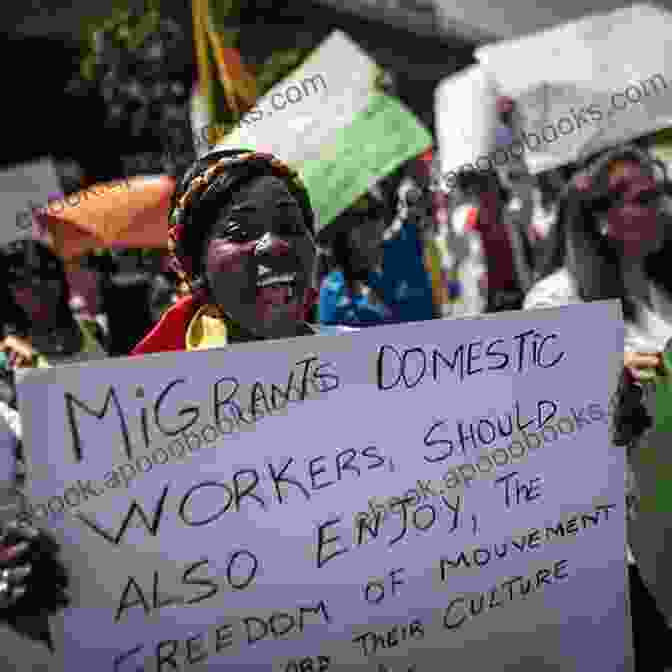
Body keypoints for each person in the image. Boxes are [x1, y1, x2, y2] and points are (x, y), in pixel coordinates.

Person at [523, 143, 672, 671]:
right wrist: (619, 379)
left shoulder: (659, 287)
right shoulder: (557, 301)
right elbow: (546, 425)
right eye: (646, 197)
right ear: (603, 219)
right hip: (622, 549)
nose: (664, 207)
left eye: (664, 193)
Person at [131, 149, 324, 354]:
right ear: (196, 267)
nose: (275, 246)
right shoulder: (161, 382)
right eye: (240, 231)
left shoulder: (357, 358)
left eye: (290, 225)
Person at [317, 182, 436, 328]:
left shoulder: (404, 266)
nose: (370, 225)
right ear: (342, 233)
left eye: (375, 213)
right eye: (358, 219)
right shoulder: (333, 290)